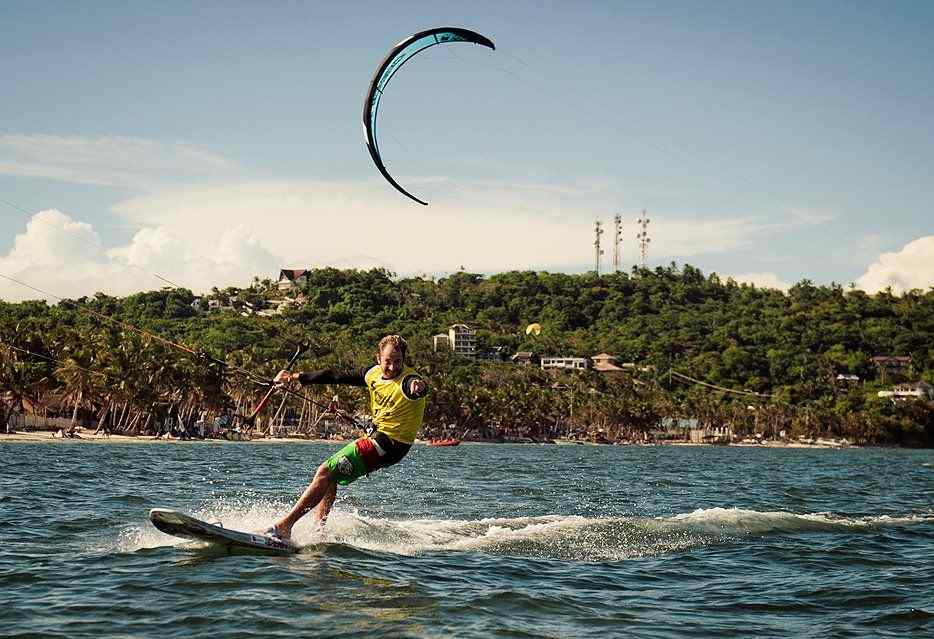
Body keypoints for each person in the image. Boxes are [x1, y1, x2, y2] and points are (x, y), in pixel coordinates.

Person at [263, 335, 428, 541]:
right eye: (388, 361)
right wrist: (294, 377)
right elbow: (336, 376)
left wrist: (418, 387)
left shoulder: (407, 381)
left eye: (398, 362)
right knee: (330, 477)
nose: (393, 367)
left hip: (389, 444)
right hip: (378, 440)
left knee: (324, 471)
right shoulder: (372, 374)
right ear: (378, 358)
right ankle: (319, 530)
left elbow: (416, 386)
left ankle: (284, 527)